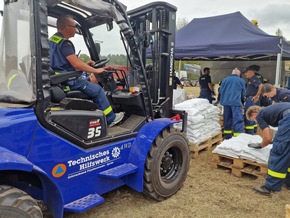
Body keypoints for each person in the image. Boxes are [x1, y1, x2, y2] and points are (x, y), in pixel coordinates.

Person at [49, 15, 123, 127]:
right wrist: (96, 70)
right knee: (98, 90)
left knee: (89, 80)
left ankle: (97, 115)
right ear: (67, 27)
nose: (76, 29)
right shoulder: (65, 43)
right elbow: (76, 63)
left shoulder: (52, 41)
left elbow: (64, 62)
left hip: (60, 80)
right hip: (68, 82)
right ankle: (110, 119)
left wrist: (86, 65)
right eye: (74, 27)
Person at [246, 103, 290, 195]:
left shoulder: (259, 115)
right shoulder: (271, 110)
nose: (256, 122)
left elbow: (268, 138)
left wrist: (260, 145)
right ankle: (288, 181)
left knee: (279, 151)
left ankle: (270, 187)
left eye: (253, 120)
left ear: (253, 114)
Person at [219, 68, 245, 139]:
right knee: (237, 120)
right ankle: (238, 137)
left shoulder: (224, 80)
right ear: (238, 74)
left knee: (227, 120)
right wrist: (242, 101)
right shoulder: (241, 81)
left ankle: (227, 137)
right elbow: (243, 93)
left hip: (226, 103)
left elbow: (221, 91)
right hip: (236, 103)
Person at [243, 65, 263, 134]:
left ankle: (250, 132)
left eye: (246, 73)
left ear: (250, 72)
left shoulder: (253, 78)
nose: (245, 74)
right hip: (252, 99)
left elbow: (261, 86)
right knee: (254, 115)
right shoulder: (251, 79)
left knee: (249, 115)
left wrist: (256, 96)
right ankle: (254, 130)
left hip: (251, 100)